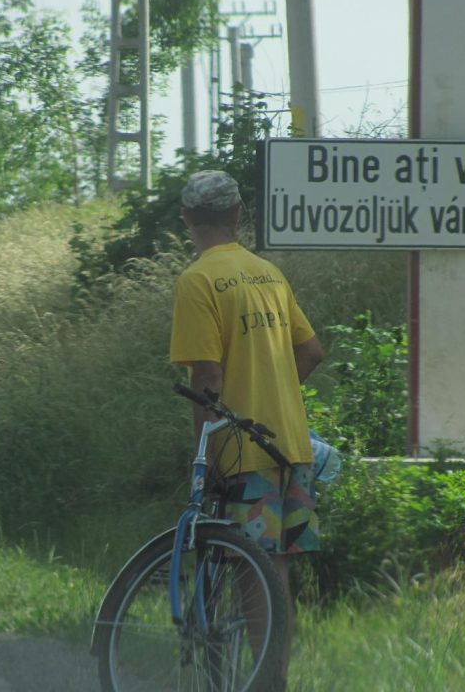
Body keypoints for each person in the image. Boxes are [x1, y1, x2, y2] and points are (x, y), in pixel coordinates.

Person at [169, 169, 325, 689]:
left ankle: (258, 684)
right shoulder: (268, 273)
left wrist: (204, 459)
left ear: (188, 219)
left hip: (240, 448)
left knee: (250, 569)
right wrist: (274, 392)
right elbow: (311, 351)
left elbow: (207, 377)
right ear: (238, 214)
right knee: (274, 570)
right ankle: (273, 679)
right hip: (291, 444)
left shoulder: (198, 280)